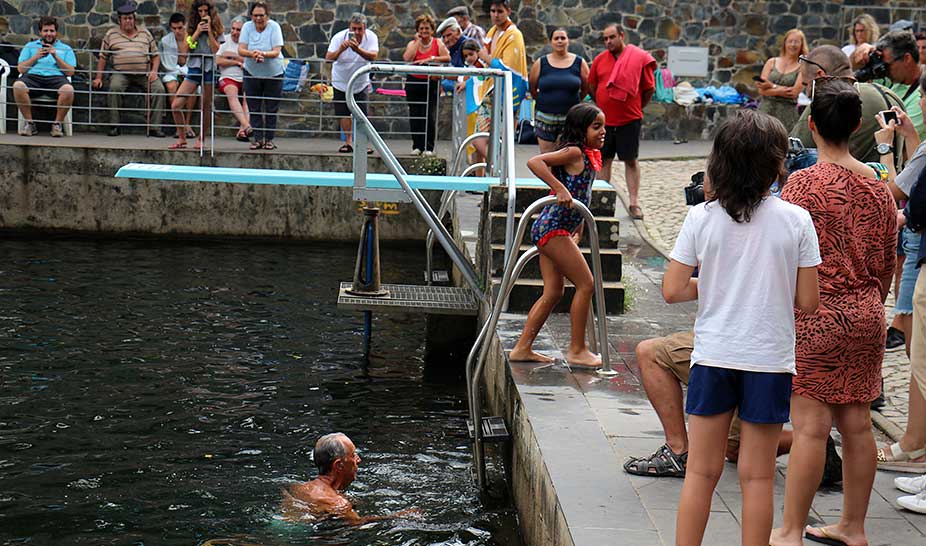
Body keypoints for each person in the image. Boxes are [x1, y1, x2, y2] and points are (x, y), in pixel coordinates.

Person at [664, 109, 821, 546]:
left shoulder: (701, 217)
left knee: (700, 471)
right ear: (777, 164)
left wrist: (716, 281)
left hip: (714, 354)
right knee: (758, 476)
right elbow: (808, 302)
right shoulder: (796, 220)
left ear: (719, 163)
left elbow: (673, 290)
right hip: (769, 359)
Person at [769, 78, 897, 546]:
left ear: (813, 126)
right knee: (858, 424)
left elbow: (783, 253)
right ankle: (853, 527)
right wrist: (871, 301)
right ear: (858, 124)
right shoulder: (879, 189)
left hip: (817, 314)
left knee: (810, 429)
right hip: (866, 313)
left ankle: (789, 530)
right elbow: (887, 261)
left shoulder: (802, 185)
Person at [624, 331, 843, 487]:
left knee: (650, 352)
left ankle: (678, 451)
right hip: (780, 351)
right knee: (736, 450)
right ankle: (811, 441)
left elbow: (674, 291)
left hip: (736, 344)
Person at [507, 103, 605, 368]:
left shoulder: (587, 154)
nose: (602, 131)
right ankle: (577, 350)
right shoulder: (574, 151)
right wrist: (558, 188)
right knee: (586, 283)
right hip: (553, 229)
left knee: (553, 291)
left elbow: (582, 193)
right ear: (580, 130)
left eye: (604, 126)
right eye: (596, 127)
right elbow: (534, 161)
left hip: (558, 228)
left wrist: (578, 227)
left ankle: (522, 348)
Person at [873, 90, 926, 475]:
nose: (919, 103)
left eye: (923, 95)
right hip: (918, 249)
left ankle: (914, 446)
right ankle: (914, 443)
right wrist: (911, 140)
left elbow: (897, 195)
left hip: (920, 250)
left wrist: (885, 151)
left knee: (920, 357)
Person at [791, 46, 905, 168]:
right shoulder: (890, 96)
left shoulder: (825, 103)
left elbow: (794, 154)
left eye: (806, 84)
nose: (807, 93)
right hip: (891, 177)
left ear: (820, 75)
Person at [588, 23, 655, 220]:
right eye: (605, 39)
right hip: (605, 121)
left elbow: (649, 88)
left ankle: (634, 203)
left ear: (621, 36)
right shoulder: (600, 60)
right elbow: (592, 85)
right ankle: (602, 201)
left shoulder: (638, 58)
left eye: (612, 37)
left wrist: (636, 106)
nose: (608, 41)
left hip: (629, 119)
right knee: (603, 160)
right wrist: (602, 104)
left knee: (630, 160)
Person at [281, 433, 419, 523]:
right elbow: (358, 523)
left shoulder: (298, 488)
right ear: (339, 465)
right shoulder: (337, 504)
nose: (358, 460)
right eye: (353, 455)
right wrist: (398, 516)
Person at [467, 1, 528, 170]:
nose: (496, 14)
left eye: (500, 11)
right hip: (490, 91)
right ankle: (491, 173)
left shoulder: (514, 35)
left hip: (506, 93)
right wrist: (467, 80)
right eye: (493, 11)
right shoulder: (492, 31)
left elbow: (507, 68)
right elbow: (482, 61)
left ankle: (501, 169)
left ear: (508, 11)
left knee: (488, 140)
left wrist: (485, 57)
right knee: (479, 140)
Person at [93, 1, 167, 138]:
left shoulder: (145, 33)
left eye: (131, 18)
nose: (128, 21)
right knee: (114, 87)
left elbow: (155, 55)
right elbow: (103, 57)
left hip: (144, 73)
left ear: (134, 19)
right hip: (121, 73)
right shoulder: (111, 34)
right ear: (120, 20)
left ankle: (155, 127)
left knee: (159, 89)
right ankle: (114, 125)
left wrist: (154, 71)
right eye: (125, 18)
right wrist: (98, 78)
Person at [169, 0, 223, 150]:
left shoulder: (217, 26)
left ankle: (201, 139)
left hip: (209, 69)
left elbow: (215, 49)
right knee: (176, 105)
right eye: (200, 11)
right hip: (194, 67)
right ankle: (182, 138)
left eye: (206, 11)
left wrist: (209, 31)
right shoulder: (191, 26)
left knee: (206, 105)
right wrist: (198, 32)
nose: (203, 14)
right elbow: (185, 50)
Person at [13, 16, 76, 137]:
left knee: (68, 90)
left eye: (52, 31)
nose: (49, 34)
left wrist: (55, 56)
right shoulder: (30, 46)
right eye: (46, 31)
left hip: (56, 78)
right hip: (33, 77)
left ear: (56, 32)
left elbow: (70, 72)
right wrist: (36, 56)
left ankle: (57, 124)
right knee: (18, 86)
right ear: (40, 32)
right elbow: (21, 69)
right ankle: (30, 123)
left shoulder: (66, 49)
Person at [856, 30, 926, 139]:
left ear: (906, 58)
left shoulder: (922, 94)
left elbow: (898, 136)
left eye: (887, 65)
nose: (884, 71)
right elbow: (852, 74)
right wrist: (862, 54)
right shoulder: (895, 78)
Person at [529, 28, 589, 153]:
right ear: (551, 42)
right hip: (545, 117)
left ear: (568, 41)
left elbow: (586, 87)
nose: (559, 41)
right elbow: (533, 88)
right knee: (547, 156)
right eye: (556, 38)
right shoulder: (541, 63)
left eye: (563, 38)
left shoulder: (579, 63)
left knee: (568, 155)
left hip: (571, 117)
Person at [326, 12, 378, 154]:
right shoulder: (338, 37)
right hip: (340, 81)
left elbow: (373, 56)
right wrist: (341, 49)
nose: (356, 32)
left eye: (359, 29)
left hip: (360, 82)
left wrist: (357, 50)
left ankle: (362, 143)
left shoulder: (371, 37)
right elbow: (328, 58)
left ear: (365, 28)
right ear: (349, 27)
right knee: (343, 113)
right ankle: (348, 142)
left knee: (362, 114)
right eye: (353, 29)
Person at [238, 1, 284, 150]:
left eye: (261, 15)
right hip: (252, 72)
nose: (258, 18)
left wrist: (262, 54)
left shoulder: (274, 27)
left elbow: (276, 51)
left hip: (273, 73)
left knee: (271, 108)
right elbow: (241, 50)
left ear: (267, 16)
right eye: (255, 15)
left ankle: (269, 139)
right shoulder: (247, 27)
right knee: (254, 107)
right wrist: (253, 54)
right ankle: (257, 139)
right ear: (251, 16)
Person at [403, 14, 449, 156]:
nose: (424, 31)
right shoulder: (412, 44)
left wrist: (432, 59)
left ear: (432, 30)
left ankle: (429, 147)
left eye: (427, 28)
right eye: (421, 28)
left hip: (430, 82)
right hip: (414, 81)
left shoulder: (437, 43)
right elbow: (407, 58)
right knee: (415, 114)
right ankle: (417, 145)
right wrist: (418, 42)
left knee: (429, 115)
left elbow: (447, 57)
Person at [757, 28, 806, 132]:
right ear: (785, 43)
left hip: (787, 116)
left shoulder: (803, 66)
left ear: (802, 45)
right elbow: (761, 90)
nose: (793, 45)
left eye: (796, 42)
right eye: (790, 41)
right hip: (765, 112)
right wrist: (780, 91)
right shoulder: (771, 62)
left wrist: (771, 86)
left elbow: (793, 93)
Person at [216, 17, 251, 141]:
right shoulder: (224, 40)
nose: (235, 32)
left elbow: (250, 61)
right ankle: (246, 125)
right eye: (233, 29)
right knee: (232, 93)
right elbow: (218, 60)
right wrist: (236, 62)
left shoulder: (248, 42)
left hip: (245, 77)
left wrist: (232, 55)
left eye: (238, 30)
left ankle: (242, 130)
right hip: (228, 77)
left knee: (248, 98)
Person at [160, 12, 193, 140]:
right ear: (170, 27)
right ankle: (179, 125)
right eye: (174, 28)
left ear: (185, 25)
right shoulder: (165, 41)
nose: (177, 31)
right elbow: (165, 61)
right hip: (171, 70)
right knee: (171, 86)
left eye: (180, 28)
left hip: (189, 69)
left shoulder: (192, 38)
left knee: (193, 87)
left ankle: (187, 124)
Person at [437, 17, 465, 93]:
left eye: (449, 35)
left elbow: (473, 75)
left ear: (458, 32)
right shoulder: (453, 48)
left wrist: (443, 76)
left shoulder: (466, 46)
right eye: (443, 37)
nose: (446, 40)